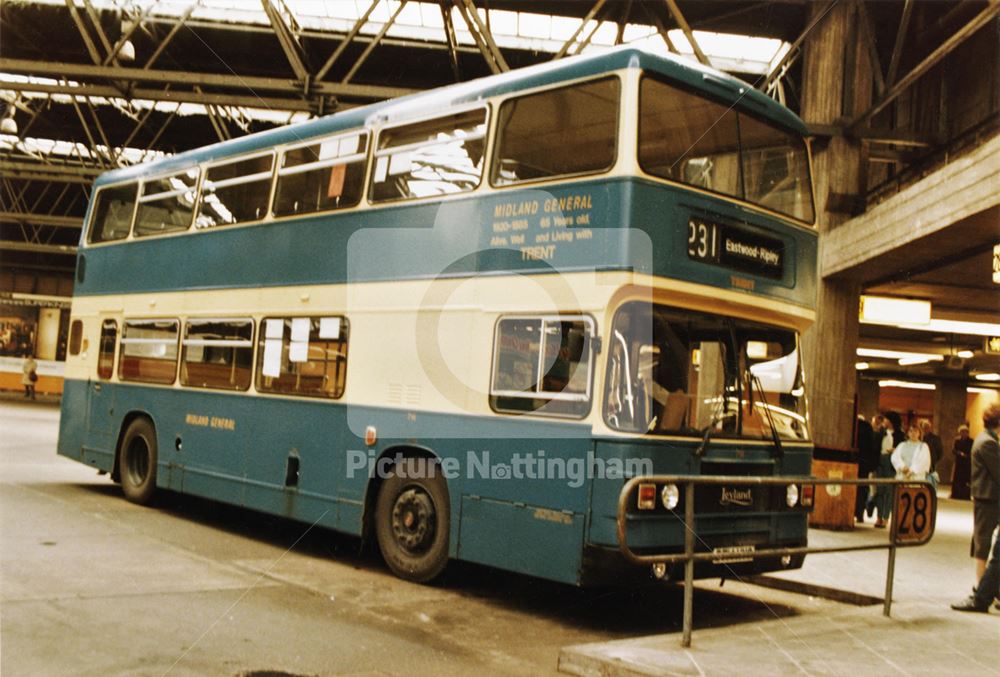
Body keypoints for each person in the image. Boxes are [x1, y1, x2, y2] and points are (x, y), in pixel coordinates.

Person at [968, 404, 1000, 584]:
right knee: (983, 543)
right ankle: (981, 586)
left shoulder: (983, 438)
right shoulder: (989, 443)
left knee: (982, 541)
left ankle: (984, 586)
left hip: (985, 497)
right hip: (989, 498)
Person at [870, 411, 904, 528]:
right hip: (880, 460)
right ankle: (878, 516)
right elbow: (874, 445)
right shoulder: (880, 431)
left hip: (892, 462)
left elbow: (902, 449)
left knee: (889, 491)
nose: (884, 421)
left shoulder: (899, 434)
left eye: (886, 419)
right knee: (879, 490)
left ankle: (885, 517)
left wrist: (895, 450)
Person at [854, 414, 878, 523]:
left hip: (852, 460)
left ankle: (852, 511)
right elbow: (872, 447)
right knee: (862, 488)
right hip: (864, 463)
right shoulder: (868, 427)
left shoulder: (851, 425)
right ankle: (859, 513)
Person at [918, 419, 943, 489]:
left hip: (931, 462)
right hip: (919, 462)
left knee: (929, 479)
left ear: (930, 428)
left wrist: (934, 460)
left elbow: (940, 451)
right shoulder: (919, 438)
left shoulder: (935, 438)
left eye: (927, 427)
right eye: (924, 427)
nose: (925, 429)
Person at [951, 424, 973, 500]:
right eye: (962, 432)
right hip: (959, 462)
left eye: (965, 432)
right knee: (957, 479)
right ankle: (956, 494)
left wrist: (967, 455)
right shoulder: (957, 440)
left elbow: (972, 450)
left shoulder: (971, 441)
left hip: (966, 462)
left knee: (965, 479)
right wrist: (959, 453)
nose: (964, 433)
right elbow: (953, 450)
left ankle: (965, 495)